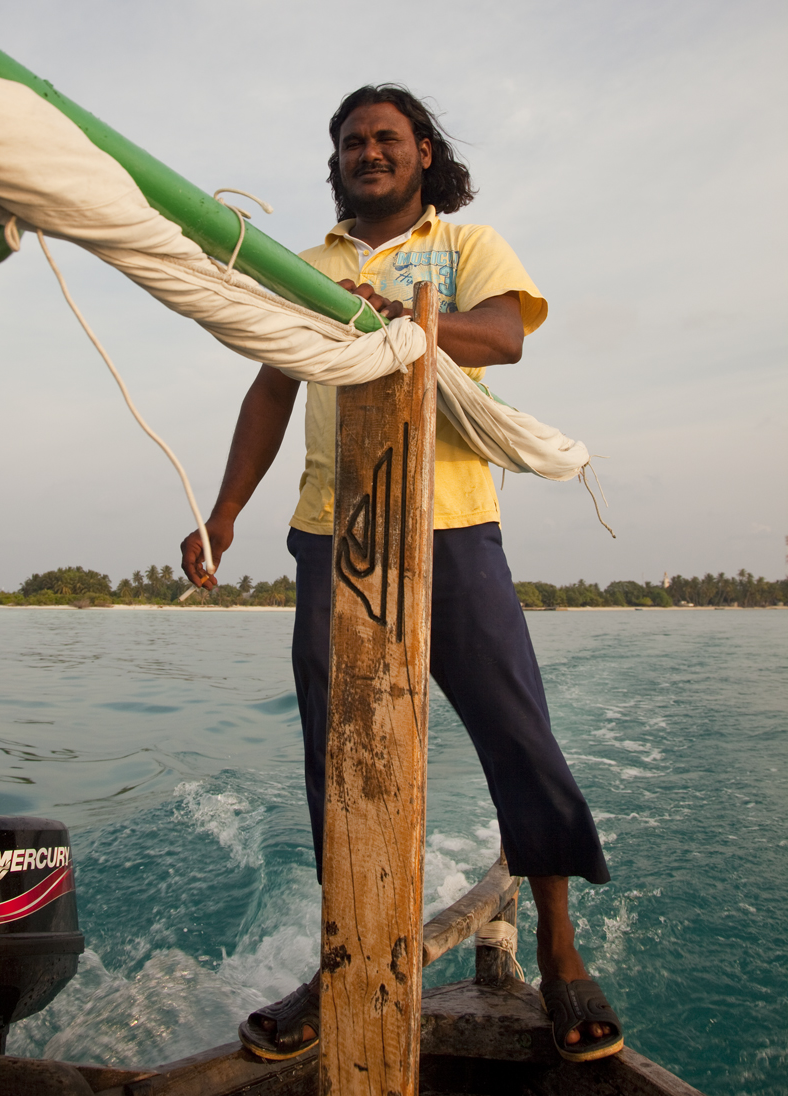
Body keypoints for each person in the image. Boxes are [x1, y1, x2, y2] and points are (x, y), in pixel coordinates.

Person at [181, 85, 623, 1064]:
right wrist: (223, 513)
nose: (366, 152)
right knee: (335, 764)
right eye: (350, 142)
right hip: (331, 533)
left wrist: (404, 316)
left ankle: (556, 946)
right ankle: (342, 960)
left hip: (450, 526)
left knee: (518, 734)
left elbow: (502, 337)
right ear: (335, 160)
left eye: (385, 137)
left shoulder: (465, 248)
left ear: (422, 150)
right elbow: (269, 387)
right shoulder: (307, 268)